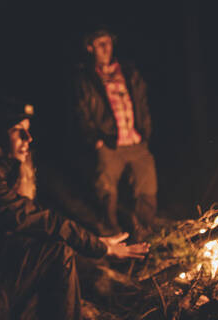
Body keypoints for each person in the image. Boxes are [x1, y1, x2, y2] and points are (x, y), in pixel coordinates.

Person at [0, 98, 149, 320]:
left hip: (6, 275)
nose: (29, 138)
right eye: (18, 131)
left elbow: (61, 207)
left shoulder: (15, 167)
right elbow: (34, 218)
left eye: (28, 130)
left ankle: (126, 293)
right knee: (58, 251)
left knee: (67, 251)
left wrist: (97, 240)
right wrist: (98, 246)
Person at [72, 27, 158, 238]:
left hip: (136, 140)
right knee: (106, 190)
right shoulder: (86, 78)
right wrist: (95, 140)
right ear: (90, 47)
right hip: (110, 143)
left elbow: (142, 101)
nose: (106, 48)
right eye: (100, 44)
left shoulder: (128, 71)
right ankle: (112, 235)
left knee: (147, 186)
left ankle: (144, 233)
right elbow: (81, 111)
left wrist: (145, 129)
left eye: (108, 42)